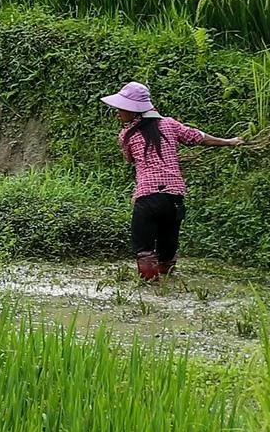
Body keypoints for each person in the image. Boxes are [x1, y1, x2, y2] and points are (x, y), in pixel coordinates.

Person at [100, 81, 244, 283]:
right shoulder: (169, 124)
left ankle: (151, 288)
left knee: (144, 249)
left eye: (121, 108)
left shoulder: (127, 135)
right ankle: (169, 283)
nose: (117, 112)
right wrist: (229, 142)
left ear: (134, 110)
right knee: (168, 249)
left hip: (148, 196)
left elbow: (131, 159)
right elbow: (198, 137)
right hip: (174, 197)